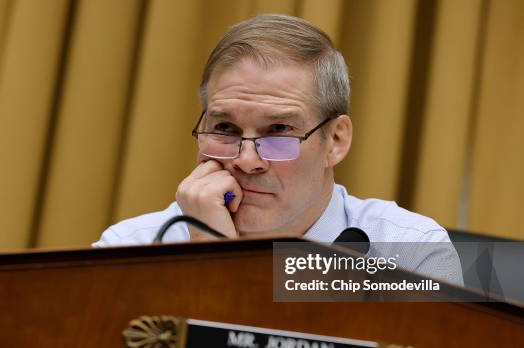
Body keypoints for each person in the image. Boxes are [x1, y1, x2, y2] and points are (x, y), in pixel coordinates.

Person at [94, 14, 463, 286]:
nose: (246, 160)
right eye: (225, 128)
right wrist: (206, 254)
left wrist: (219, 267)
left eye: (279, 130)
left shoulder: (407, 251)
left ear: (335, 141)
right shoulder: (132, 248)